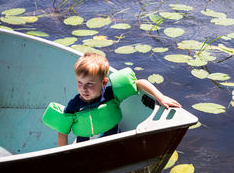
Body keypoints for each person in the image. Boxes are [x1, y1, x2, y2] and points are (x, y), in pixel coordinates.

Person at [43, 52, 181, 146]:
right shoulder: (74, 106)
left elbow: (139, 83)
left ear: (103, 82)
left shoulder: (111, 94)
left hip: (114, 143)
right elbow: (62, 133)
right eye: (79, 82)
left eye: (89, 84)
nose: (83, 89)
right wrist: (65, 154)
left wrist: (161, 97)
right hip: (85, 148)